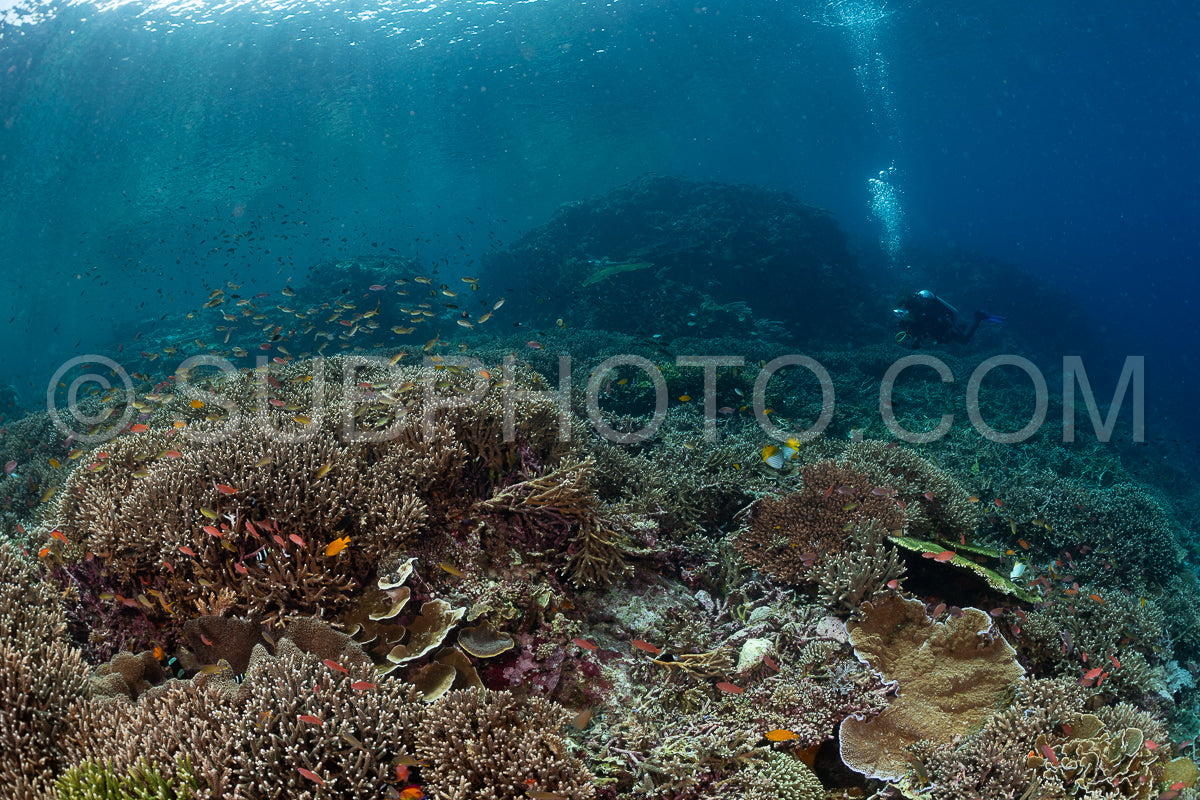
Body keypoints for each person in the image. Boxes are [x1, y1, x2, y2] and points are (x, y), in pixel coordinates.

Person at [893, 290, 1004, 346]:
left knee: (964, 340)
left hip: (945, 324)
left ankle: (978, 317)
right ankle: (967, 323)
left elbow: (940, 322)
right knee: (960, 330)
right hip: (940, 326)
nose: (902, 316)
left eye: (903, 313)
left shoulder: (927, 315)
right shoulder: (916, 317)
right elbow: (920, 330)